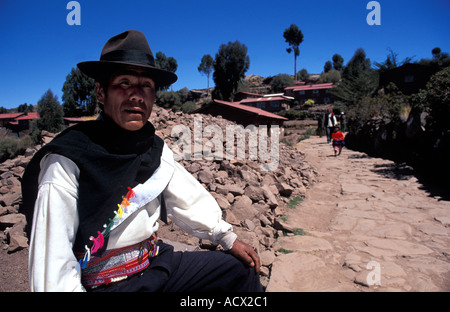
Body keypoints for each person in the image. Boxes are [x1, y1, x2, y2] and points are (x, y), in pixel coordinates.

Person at [20, 30, 262, 292]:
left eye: (145, 85)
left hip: (156, 265)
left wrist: (226, 237)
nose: (136, 94)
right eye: (124, 82)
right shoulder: (68, 159)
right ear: (101, 93)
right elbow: (53, 262)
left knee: (239, 273)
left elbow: (187, 198)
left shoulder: (154, 149)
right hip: (108, 286)